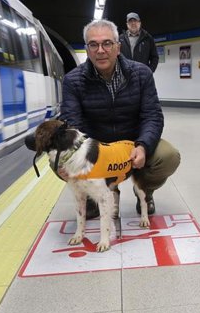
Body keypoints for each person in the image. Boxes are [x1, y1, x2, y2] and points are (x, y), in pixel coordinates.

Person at [61, 19, 180, 218]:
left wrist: (142, 146)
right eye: (93, 44)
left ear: (118, 47)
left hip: (132, 146)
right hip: (96, 150)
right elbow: (72, 124)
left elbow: (152, 116)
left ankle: (144, 190)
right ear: (87, 49)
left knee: (168, 156)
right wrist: (73, 157)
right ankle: (92, 196)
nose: (100, 50)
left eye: (107, 43)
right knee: (60, 161)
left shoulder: (142, 74)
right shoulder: (72, 81)